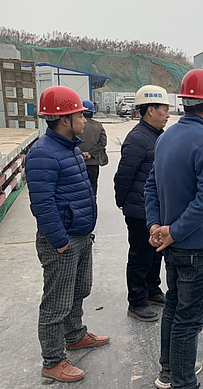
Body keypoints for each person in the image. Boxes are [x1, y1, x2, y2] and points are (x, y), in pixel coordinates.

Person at [146, 69, 203, 389]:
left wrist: (157, 225)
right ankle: (183, 381)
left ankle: (169, 371)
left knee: (174, 308)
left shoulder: (166, 137)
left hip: (173, 245)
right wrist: (175, 231)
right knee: (189, 321)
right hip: (199, 249)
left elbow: (151, 186)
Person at [25, 86, 109, 383]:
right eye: (80, 115)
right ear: (64, 119)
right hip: (62, 241)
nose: (85, 120)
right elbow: (42, 204)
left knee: (79, 289)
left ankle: (74, 335)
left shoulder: (70, 147)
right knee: (56, 302)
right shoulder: (43, 154)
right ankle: (52, 361)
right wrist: (59, 242)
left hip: (80, 235)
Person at [114, 85, 171, 322]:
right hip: (139, 209)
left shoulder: (157, 136)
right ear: (150, 110)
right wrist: (122, 201)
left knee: (156, 252)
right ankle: (137, 301)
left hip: (154, 208)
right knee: (140, 255)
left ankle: (152, 290)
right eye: (164, 109)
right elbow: (124, 175)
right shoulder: (138, 139)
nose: (168, 114)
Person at [79, 100, 108, 196]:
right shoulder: (98, 125)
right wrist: (90, 154)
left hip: (78, 162)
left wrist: (81, 154)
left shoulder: (75, 125)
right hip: (93, 162)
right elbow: (103, 143)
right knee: (93, 185)